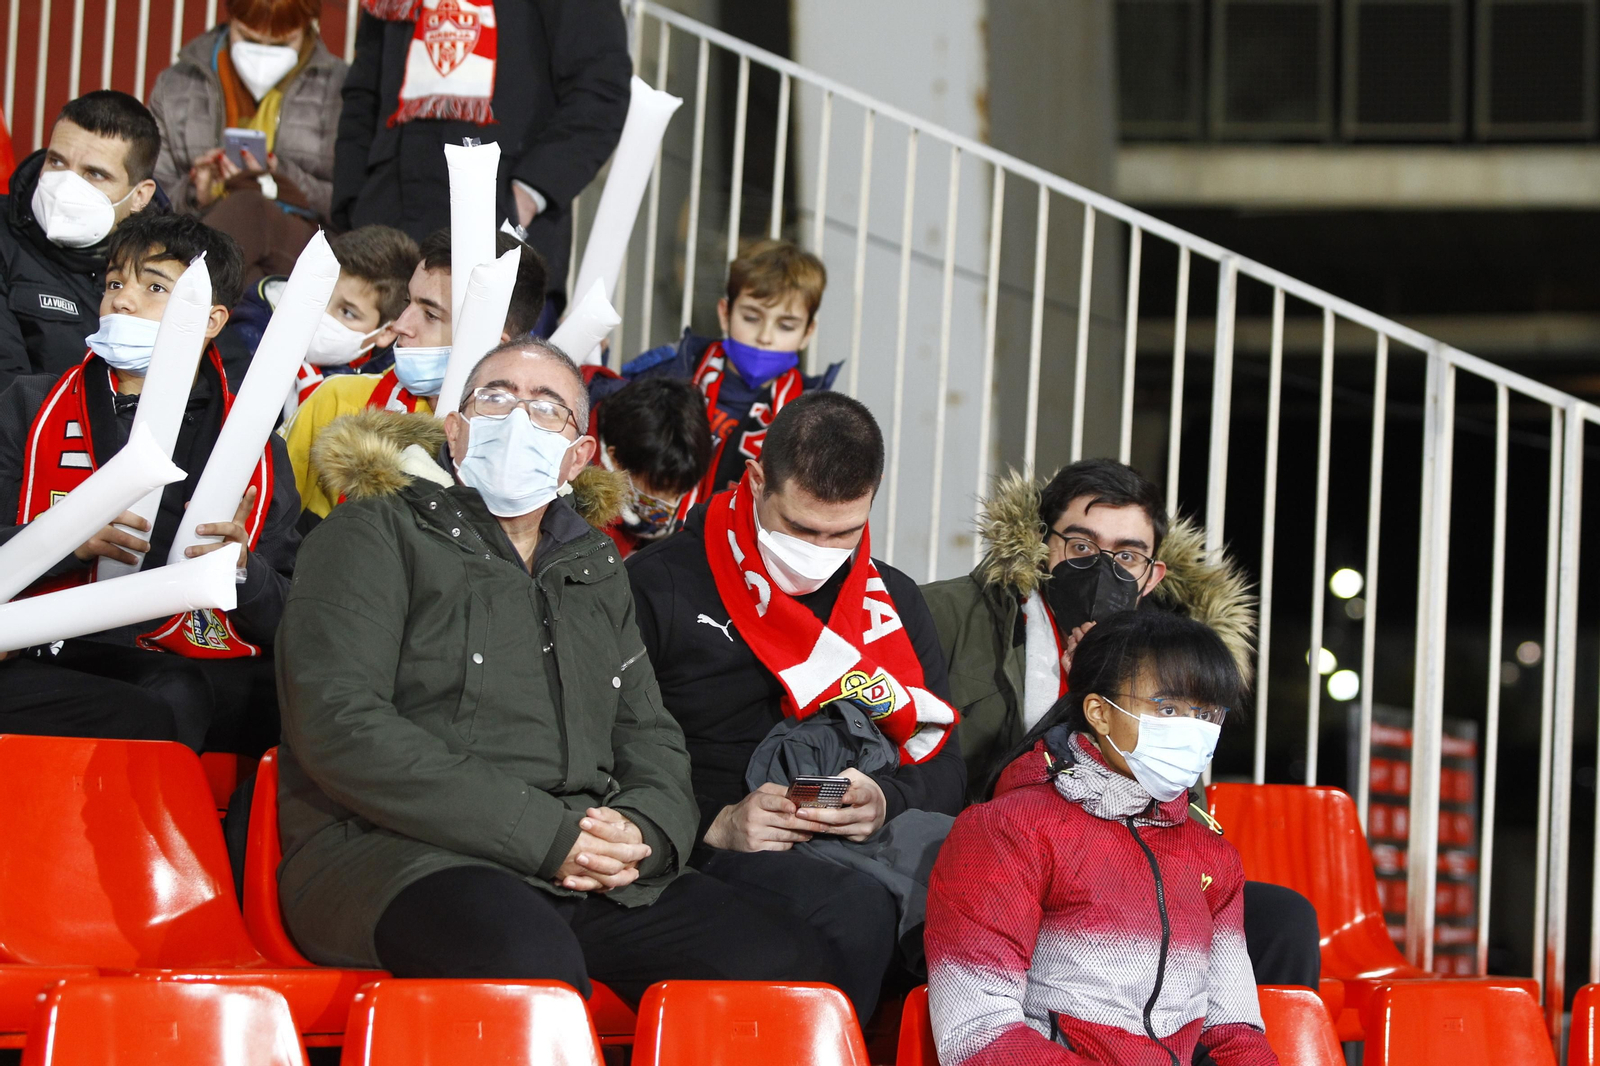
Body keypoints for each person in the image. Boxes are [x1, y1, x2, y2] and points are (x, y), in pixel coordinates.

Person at [274, 337, 838, 999]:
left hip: (581, 865)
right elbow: (340, 724)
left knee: (784, 963)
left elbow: (650, 737)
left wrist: (642, 833)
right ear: (455, 431)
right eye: (495, 398)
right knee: (528, 963)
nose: (517, 418)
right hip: (398, 854)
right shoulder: (371, 534)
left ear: (578, 456)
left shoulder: (595, 567)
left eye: (546, 408)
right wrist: (548, 835)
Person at [921, 458, 1321, 991]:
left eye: (1127, 556)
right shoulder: (948, 614)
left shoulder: (1170, 659)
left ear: (1152, 576)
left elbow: (1181, 803)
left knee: (1283, 920)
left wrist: (1113, 683)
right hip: (1002, 864)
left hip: (1125, 868)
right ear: (1043, 544)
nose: (1102, 569)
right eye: (1081, 546)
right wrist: (1080, 699)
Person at [626, 390, 963, 1021]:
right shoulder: (659, 583)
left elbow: (946, 766)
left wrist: (885, 798)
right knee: (854, 914)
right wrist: (714, 822)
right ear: (756, 481)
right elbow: (608, 751)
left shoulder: (893, 601)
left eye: (845, 533)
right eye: (801, 529)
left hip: (851, 834)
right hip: (706, 840)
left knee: (985, 897)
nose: (820, 552)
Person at [0, 211, 299, 752]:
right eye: (114, 283)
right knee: (167, 696)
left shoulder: (254, 444)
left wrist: (241, 568)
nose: (122, 301)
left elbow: (293, 611)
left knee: (287, 702)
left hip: (189, 646)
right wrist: (60, 539)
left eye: (154, 287)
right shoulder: (31, 405)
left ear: (211, 320)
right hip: (47, 638)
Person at [925, 610, 1279, 1066]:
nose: (1193, 730)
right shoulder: (1007, 830)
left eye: (1207, 713)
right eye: (1168, 709)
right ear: (1100, 713)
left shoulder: (1213, 856)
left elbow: (1233, 1033)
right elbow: (977, 1033)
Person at [331, 0, 630, 313]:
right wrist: (351, 206)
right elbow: (362, 94)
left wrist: (526, 197)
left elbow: (601, 88)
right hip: (386, 238)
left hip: (501, 248)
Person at [281, 227, 543, 526]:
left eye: (431, 314)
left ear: (492, 343)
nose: (401, 325)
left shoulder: (531, 455)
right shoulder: (338, 400)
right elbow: (269, 530)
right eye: (408, 302)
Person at [621, 239, 842, 504]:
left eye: (786, 326)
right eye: (751, 318)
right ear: (725, 314)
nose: (765, 337)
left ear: (807, 332)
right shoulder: (670, 370)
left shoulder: (814, 418)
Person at [150, 0, 346, 285]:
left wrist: (277, 180)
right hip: (203, 233)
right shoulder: (178, 85)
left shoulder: (342, 90)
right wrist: (196, 194)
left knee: (250, 206)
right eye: (249, 39)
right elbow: (151, 195)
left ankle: (174, 293)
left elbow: (352, 204)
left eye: (282, 44)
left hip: (303, 248)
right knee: (246, 277)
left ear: (307, 27)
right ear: (230, 17)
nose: (263, 55)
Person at [0, 91, 162, 388]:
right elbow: (7, 391)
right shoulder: (5, 239)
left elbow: (223, 378)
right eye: (57, 162)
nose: (66, 185)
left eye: (95, 174)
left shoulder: (175, 260)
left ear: (140, 195)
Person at [224, 224, 419, 421]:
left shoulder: (387, 391)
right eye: (321, 295)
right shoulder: (252, 333)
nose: (322, 315)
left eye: (347, 312)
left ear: (386, 332)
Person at [594, 376, 711, 557]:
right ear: (615, 459)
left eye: (680, 490)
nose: (671, 503)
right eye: (661, 487)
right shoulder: (579, 517)